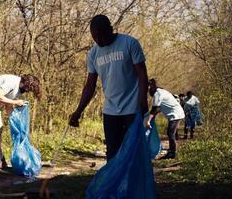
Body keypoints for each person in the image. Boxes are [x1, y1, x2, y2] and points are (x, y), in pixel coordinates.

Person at [69, 14, 149, 161]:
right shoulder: (93, 53)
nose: (98, 40)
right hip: (110, 111)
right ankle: (115, 184)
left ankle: (132, 183)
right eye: (95, 37)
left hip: (132, 109)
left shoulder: (129, 43)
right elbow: (90, 85)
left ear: (111, 30)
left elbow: (143, 75)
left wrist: (143, 100)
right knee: (112, 153)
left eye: (101, 35)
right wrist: (78, 111)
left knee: (133, 152)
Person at [0, 74, 41, 169]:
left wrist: (14, 121)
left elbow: (8, 105)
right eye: (28, 89)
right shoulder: (11, 82)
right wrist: (16, 102)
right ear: (25, 83)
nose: (27, 91)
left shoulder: (19, 89)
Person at [145, 79, 185, 159]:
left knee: (170, 133)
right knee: (171, 133)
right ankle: (172, 151)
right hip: (176, 113)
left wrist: (148, 120)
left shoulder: (158, 94)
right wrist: (152, 116)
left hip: (175, 115)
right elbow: (159, 109)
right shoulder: (161, 91)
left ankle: (172, 153)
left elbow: (155, 109)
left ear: (150, 88)